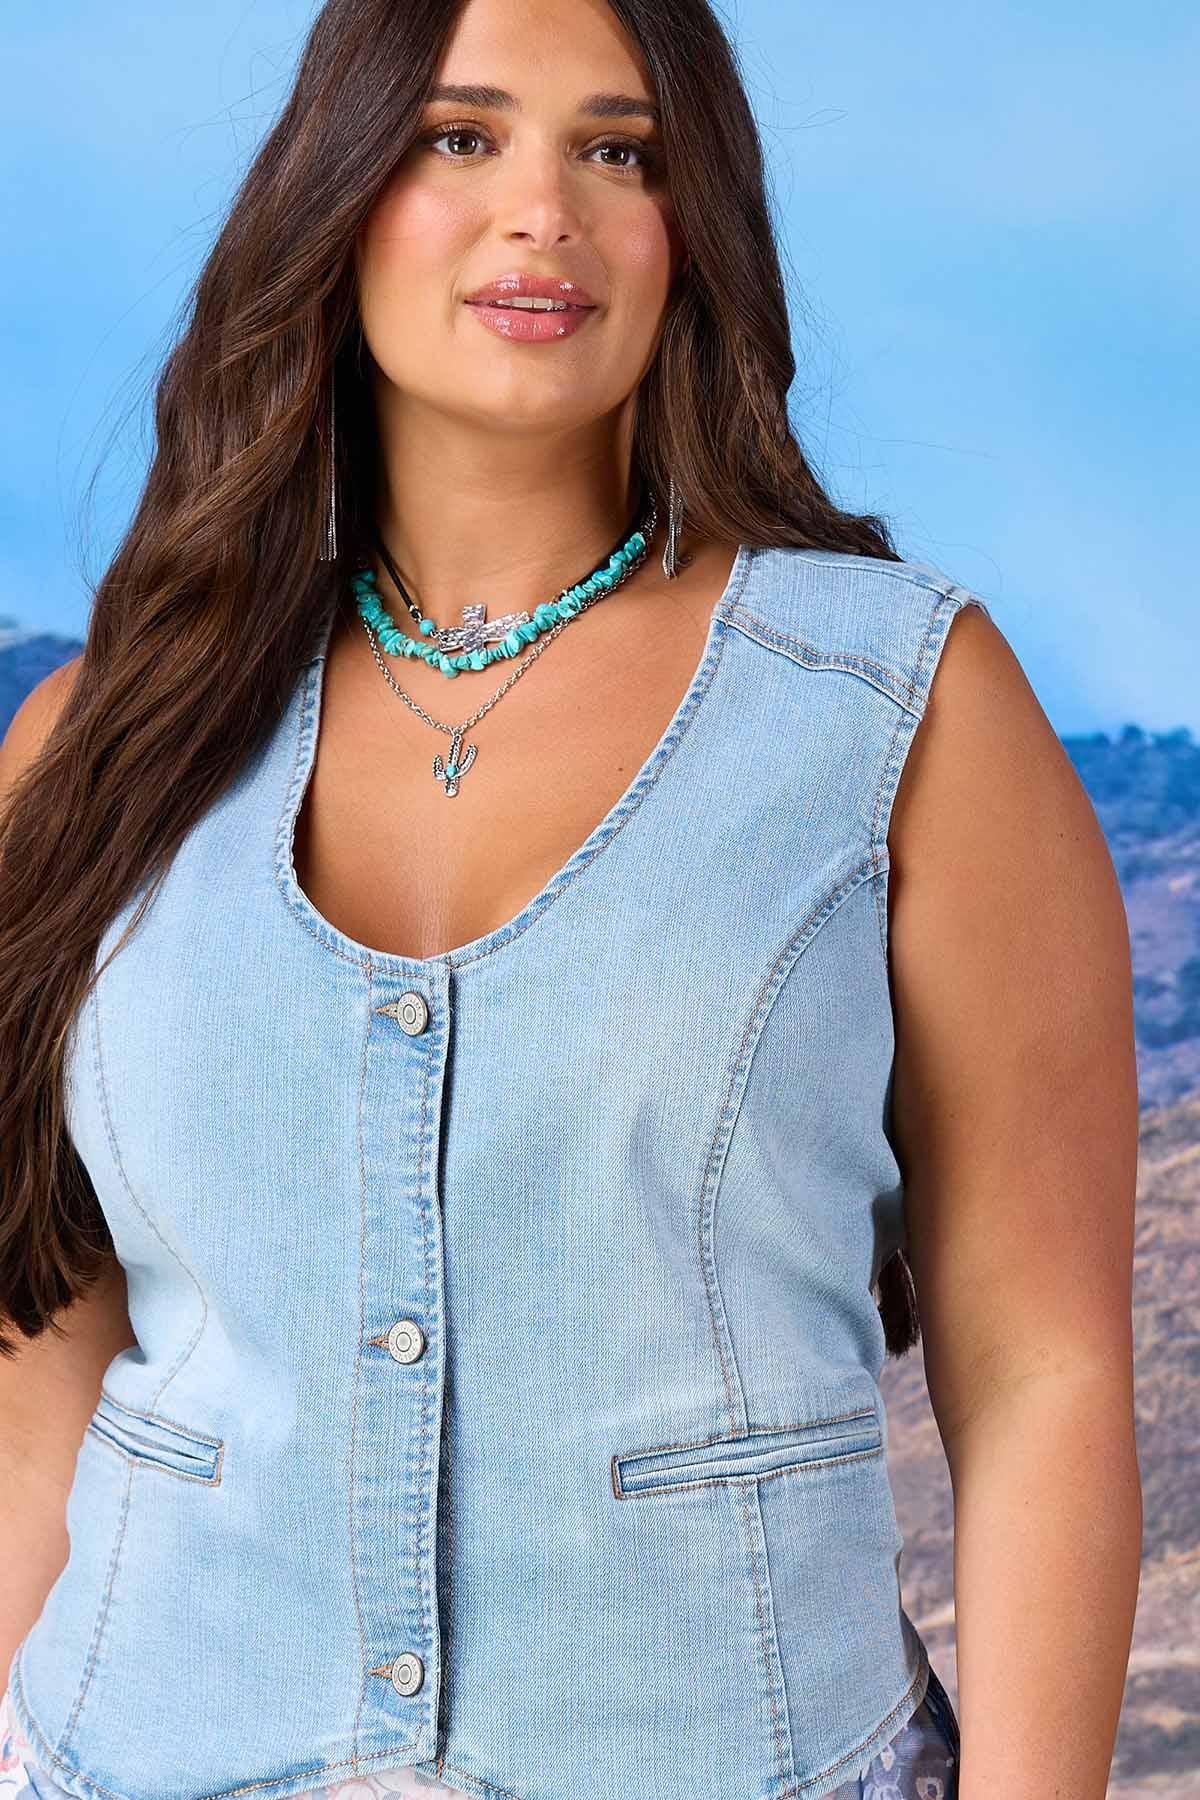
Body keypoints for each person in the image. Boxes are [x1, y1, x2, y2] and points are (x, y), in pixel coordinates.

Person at [0, 0, 1141, 1797]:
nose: (546, 208)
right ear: (334, 197)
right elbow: (35, 1388)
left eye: (620, 150)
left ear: (694, 231)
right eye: (459, 137)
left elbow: (1046, 1381)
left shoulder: (897, 712)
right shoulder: (101, 746)